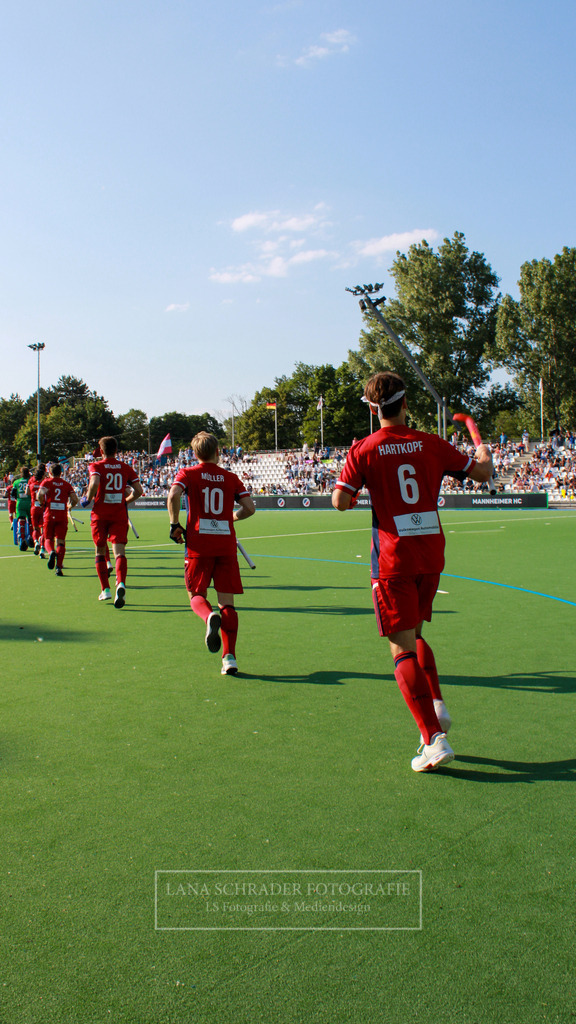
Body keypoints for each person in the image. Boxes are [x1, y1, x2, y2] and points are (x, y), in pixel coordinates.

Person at [332, 371, 494, 773]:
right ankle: (436, 704)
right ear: (405, 405)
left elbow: (340, 501)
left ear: (373, 410)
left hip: (392, 560)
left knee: (401, 648)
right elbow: (482, 474)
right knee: (417, 633)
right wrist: (485, 453)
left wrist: (360, 482)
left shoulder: (364, 449)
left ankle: (432, 738)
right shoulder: (432, 443)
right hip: (430, 556)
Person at [167, 431, 255, 675]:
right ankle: (230, 658)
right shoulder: (230, 477)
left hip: (199, 544)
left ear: (195, 454)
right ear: (219, 451)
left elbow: (174, 493)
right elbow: (249, 508)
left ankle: (207, 617)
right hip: (225, 545)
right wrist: (231, 517)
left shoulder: (188, 473)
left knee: (196, 594)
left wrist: (174, 524)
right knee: (228, 603)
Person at [82, 437, 144, 607]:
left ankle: (105, 590)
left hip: (100, 515)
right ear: (116, 450)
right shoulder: (125, 467)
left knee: (100, 552)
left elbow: (94, 483)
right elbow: (138, 491)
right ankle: (121, 583)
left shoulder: (96, 466)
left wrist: (88, 498)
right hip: (119, 514)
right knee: (119, 552)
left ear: (101, 451)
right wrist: (126, 501)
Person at [37, 464, 79, 576]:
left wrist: (42, 503)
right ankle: (59, 567)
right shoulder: (66, 484)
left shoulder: (47, 482)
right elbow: (75, 499)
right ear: (61, 473)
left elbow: (39, 495)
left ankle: (51, 552)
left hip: (49, 514)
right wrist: (70, 506)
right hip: (62, 516)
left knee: (48, 539)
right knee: (61, 541)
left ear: (50, 473)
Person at [28, 463, 47, 556]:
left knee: (35, 528)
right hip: (42, 508)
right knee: (43, 529)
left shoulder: (31, 483)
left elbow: (27, 492)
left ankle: (36, 542)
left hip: (33, 508)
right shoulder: (44, 484)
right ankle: (42, 548)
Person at [11, 467, 32, 551]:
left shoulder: (16, 482)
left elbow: (13, 494)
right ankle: (31, 537)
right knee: (31, 522)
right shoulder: (30, 481)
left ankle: (22, 539)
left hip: (20, 503)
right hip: (30, 503)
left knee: (21, 522)